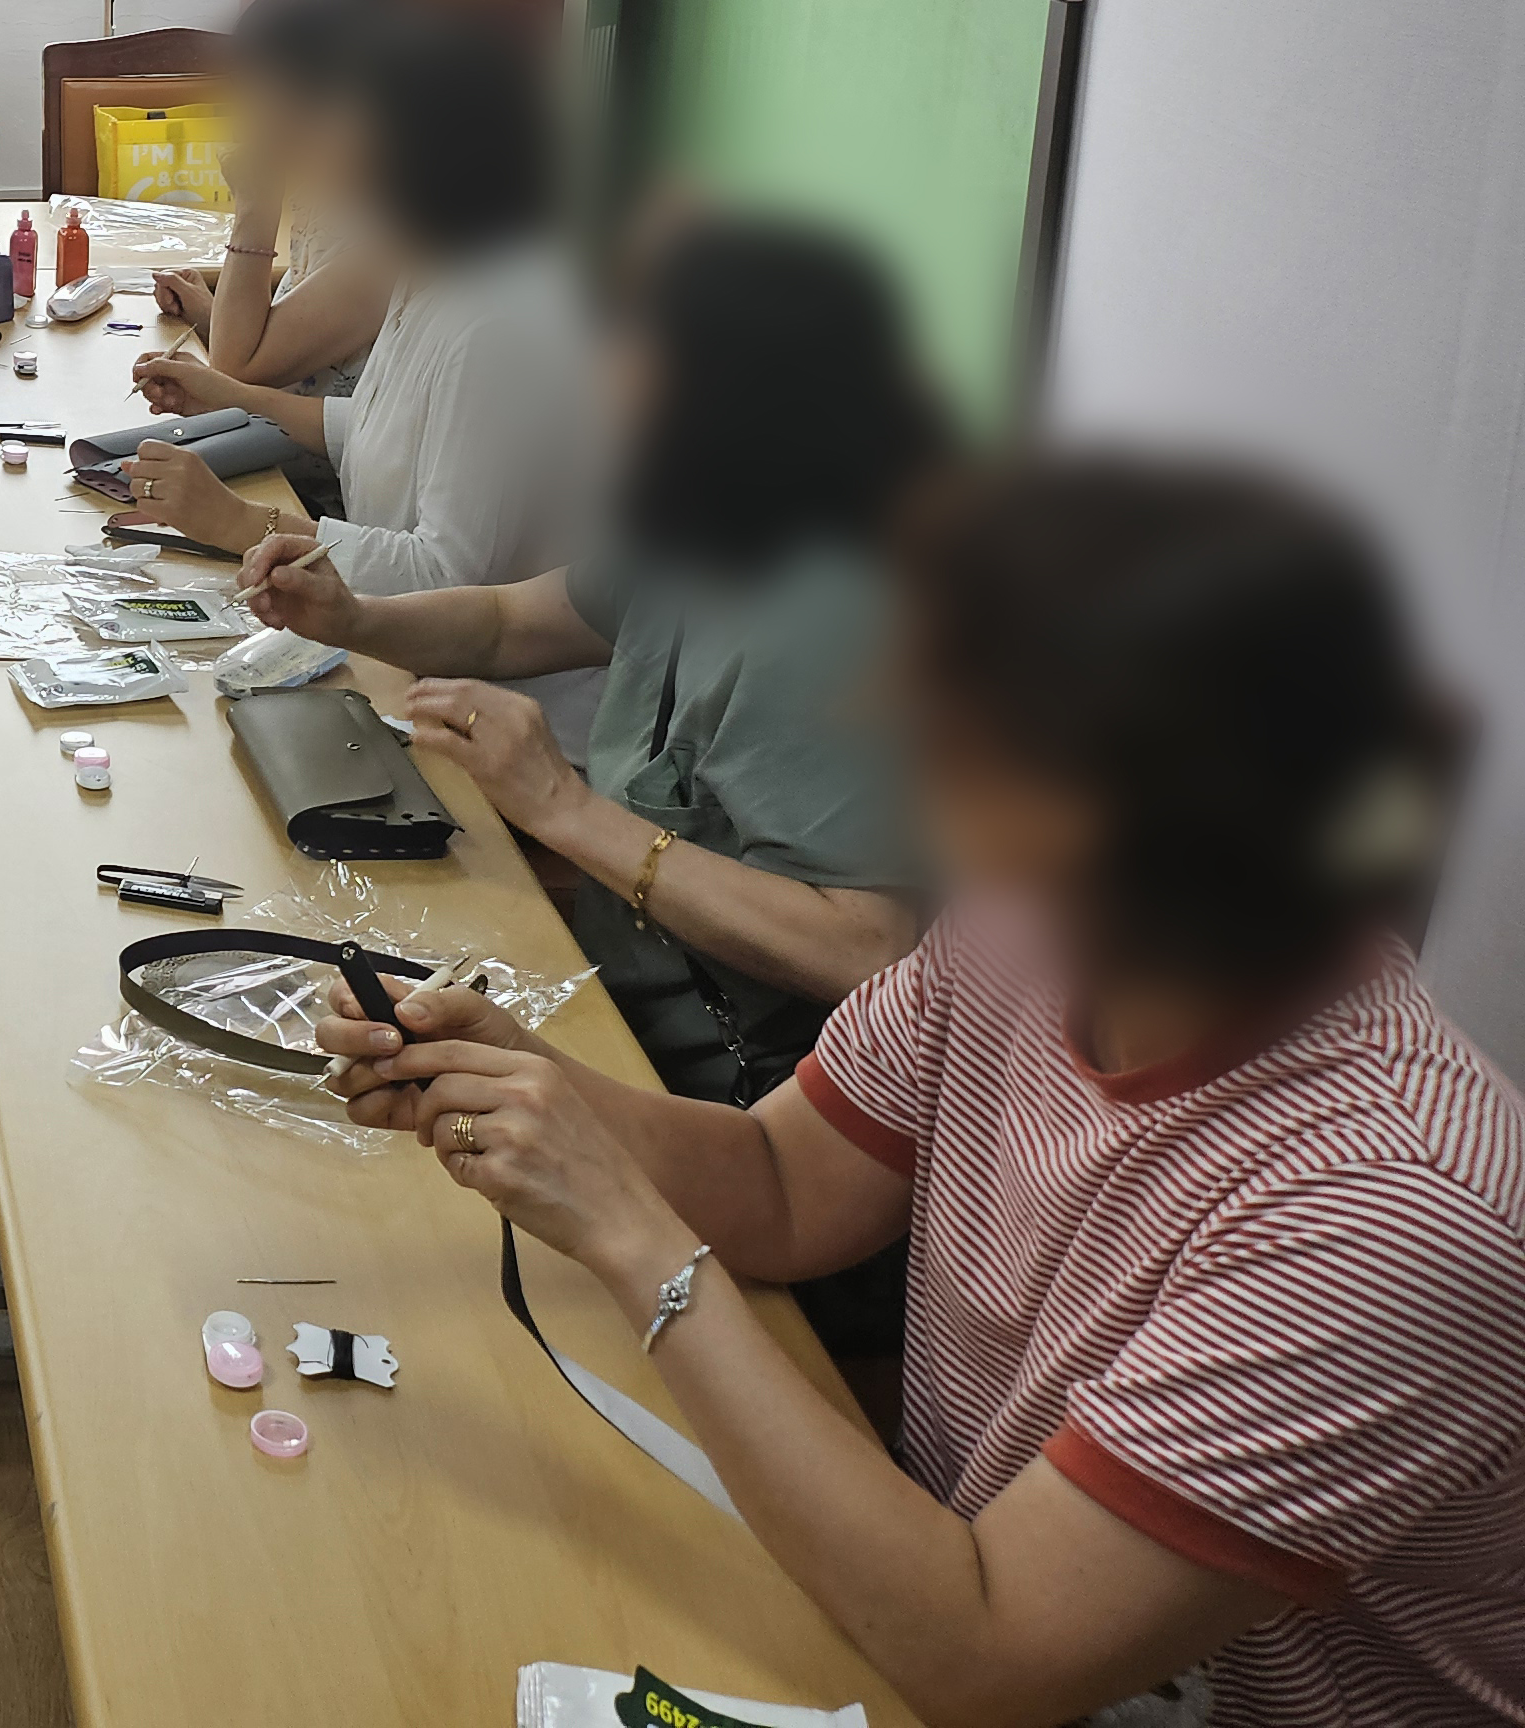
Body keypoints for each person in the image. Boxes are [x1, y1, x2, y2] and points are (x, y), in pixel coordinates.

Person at [319, 457, 1520, 1728]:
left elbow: (989, 1657)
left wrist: (629, 1235)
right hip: (962, 1592)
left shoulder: (1393, 1213)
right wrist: (526, 1077)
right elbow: (784, 1190)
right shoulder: (1030, 929)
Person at [237, 217, 945, 1106]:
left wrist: (564, 809)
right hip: (616, 987)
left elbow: (866, 951)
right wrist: (353, 614)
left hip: (731, 1087)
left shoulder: (832, 611)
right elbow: (506, 624)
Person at [120, 0, 603, 741]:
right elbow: (383, 427)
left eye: (338, 114)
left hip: (507, 728)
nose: (311, 132)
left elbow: (447, 577)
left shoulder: (500, 316)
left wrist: (241, 522)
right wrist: (235, 397)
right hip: (404, 667)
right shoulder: (429, 258)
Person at [139, 0, 395, 463]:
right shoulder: (330, 194)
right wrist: (211, 313)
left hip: (323, 485)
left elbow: (237, 366)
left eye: (259, 88)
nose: (246, 108)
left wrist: (255, 205)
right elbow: (289, 346)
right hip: (285, 450)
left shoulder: (392, 238)